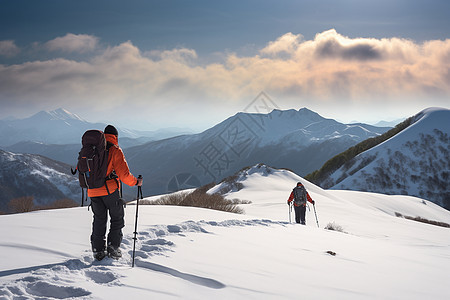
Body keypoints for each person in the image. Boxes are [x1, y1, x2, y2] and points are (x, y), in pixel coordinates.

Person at [88, 125, 143, 261]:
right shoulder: (114, 150)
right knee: (117, 218)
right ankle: (113, 248)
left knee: (99, 220)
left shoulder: (91, 150)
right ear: (116, 137)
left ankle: (98, 250)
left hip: (92, 191)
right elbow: (124, 176)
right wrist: (136, 182)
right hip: (110, 191)